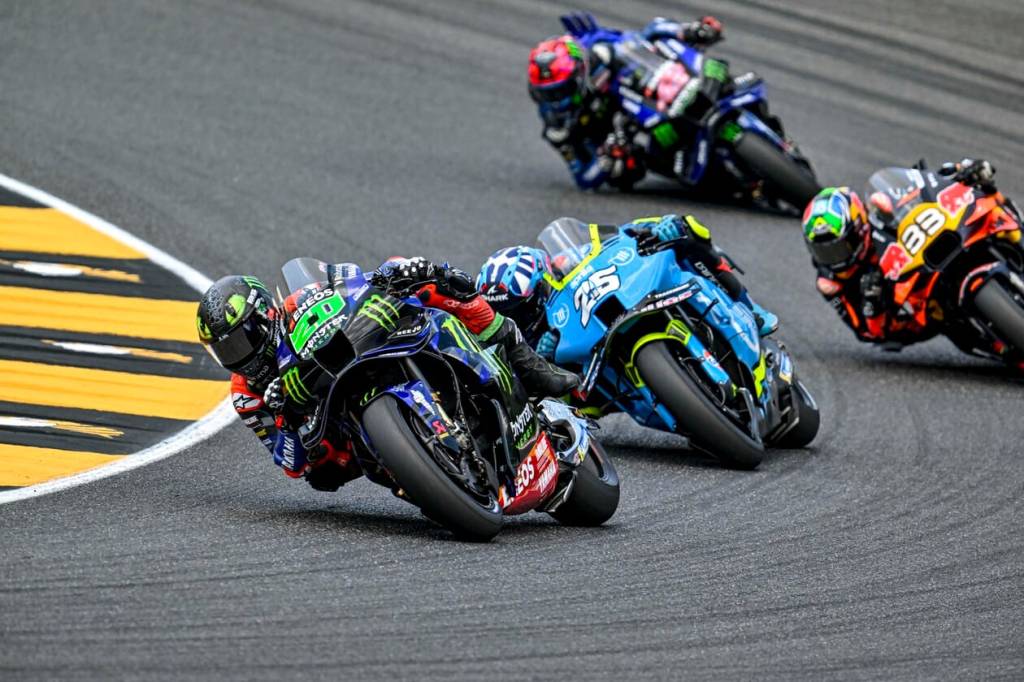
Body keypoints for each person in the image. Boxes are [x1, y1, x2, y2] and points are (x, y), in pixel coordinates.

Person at [197, 259, 578, 489]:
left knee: (431, 282)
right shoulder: (246, 392)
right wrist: (283, 415)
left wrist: (393, 273)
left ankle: (526, 362)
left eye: (240, 341)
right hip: (333, 427)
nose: (238, 357)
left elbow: (351, 281)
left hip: (365, 347)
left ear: (263, 315)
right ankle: (420, 470)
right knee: (323, 475)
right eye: (225, 351)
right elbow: (290, 464)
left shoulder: (301, 301)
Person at [475, 214, 778, 359]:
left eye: (523, 308)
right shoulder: (513, 344)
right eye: (510, 315)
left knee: (686, 232)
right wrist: (547, 362)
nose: (522, 318)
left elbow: (622, 235)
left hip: (627, 298)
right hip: (599, 384)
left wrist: (657, 229)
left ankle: (753, 309)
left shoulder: (566, 261)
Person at [802, 158, 1006, 345]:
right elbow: (866, 332)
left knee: (986, 196)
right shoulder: (831, 282)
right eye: (824, 251)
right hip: (914, 312)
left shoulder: (882, 208)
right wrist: (872, 303)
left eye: (840, 246)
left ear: (859, 226)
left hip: (927, 253)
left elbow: (922, 186)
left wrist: (958, 172)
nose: (837, 257)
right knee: (958, 328)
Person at [527, 14, 725, 191]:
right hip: (624, 138)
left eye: (561, 90)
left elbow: (646, 33)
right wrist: (605, 159)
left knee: (663, 38)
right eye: (548, 94)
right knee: (622, 174)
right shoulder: (556, 125)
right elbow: (582, 176)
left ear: (579, 75)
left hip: (646, 95)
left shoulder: (597, 47)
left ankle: (711, 80)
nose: (556, 99)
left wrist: (686, 31)